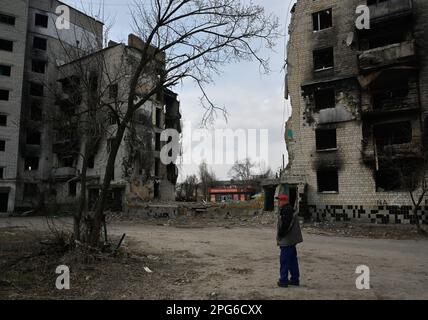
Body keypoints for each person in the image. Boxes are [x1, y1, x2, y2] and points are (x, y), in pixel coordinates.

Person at [276, 194, 303, 288]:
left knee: (284, 260)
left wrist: (280, 234)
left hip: (287, 240)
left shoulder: (286, 209)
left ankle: (283, 280)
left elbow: (286, 224)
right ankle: (295, 279)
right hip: (291, 240)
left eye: (279, 200)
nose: (278, 202)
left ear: (283, 200)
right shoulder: (289, 208)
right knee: (292, 260)